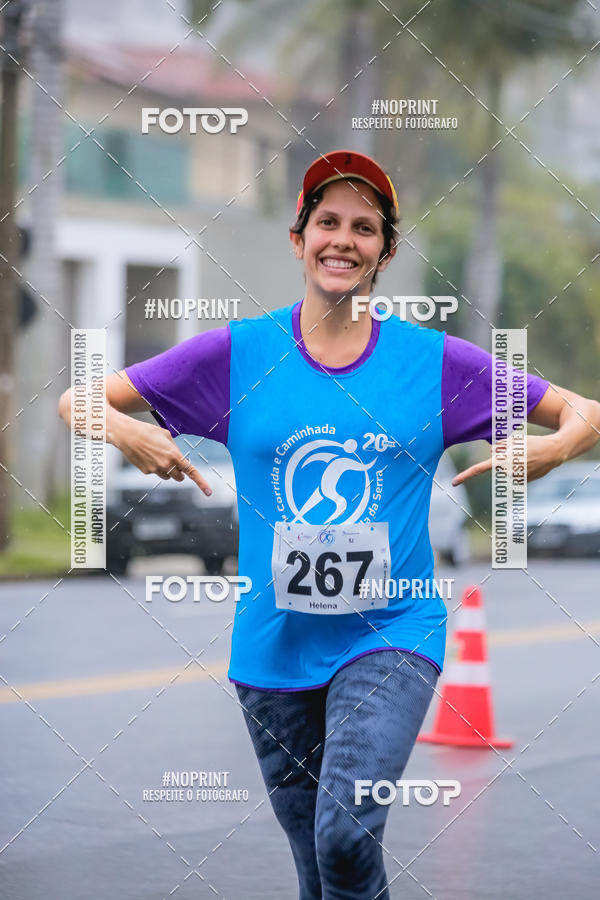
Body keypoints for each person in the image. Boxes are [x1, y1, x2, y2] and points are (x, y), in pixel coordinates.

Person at [59, 150, 600, 898]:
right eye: (328, 222)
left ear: (385, 252)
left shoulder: (434, 363)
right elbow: (78, 401)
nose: (343, 239)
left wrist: (555, 448)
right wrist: (127, 431)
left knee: (345, 835)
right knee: (319, 867)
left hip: (392, 632)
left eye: (364, 228)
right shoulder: (238, 353)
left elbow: (584, 412)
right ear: (299, 239)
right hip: (272, 647)